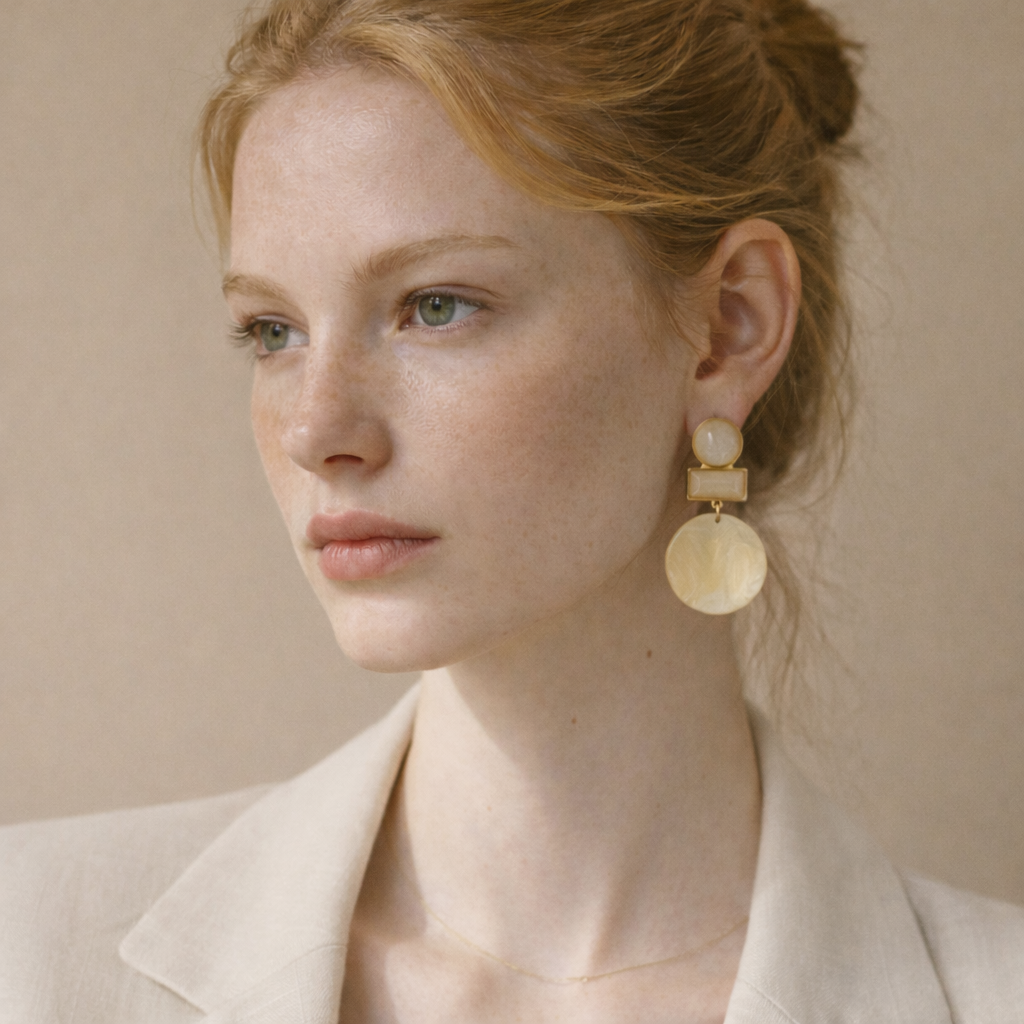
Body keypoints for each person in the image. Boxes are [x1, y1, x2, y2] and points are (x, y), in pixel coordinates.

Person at [1, 0, 1021, 1020]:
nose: (317, 428)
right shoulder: (33, 947)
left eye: (433, 305)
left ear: (727, 328)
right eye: (272, 330)